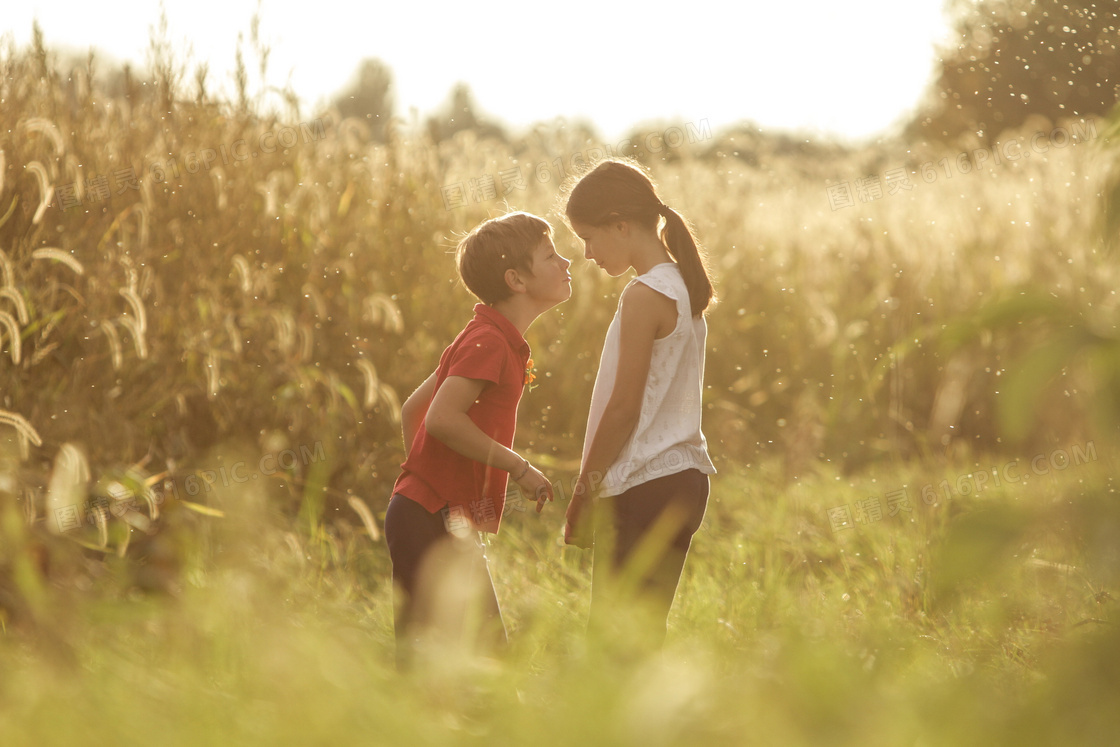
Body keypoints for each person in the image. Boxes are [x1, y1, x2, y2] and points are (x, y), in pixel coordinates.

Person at [385, 210, 571, 668]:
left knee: (438, 655)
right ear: (516, 280)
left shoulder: (488, 336)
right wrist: (518, 467)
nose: (567, 262)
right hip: (429, 516)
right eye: (551, 255)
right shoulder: (488, 341)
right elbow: (441, 419)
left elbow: (414, 410)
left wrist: (437, 489)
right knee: (474, 655)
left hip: (430, 513)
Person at [562, 158, 716, 644]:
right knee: (641, 636)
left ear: (621, 225)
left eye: (589, 237)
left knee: (613, 644)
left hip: (645, 484)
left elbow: (625, 407)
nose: (587, 253)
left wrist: (583, 489)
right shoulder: (683, 285)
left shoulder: (644, 294)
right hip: (683, 480)